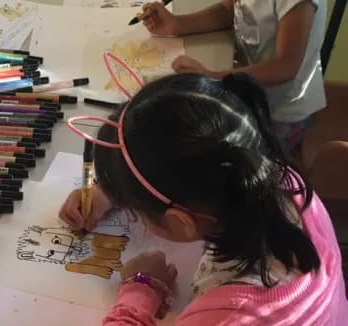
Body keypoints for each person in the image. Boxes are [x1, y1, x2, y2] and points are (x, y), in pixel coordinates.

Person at [59, 73, 347, 325]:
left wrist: (140, 290)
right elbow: (185, 160)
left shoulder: (230, 317)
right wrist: (114, 189)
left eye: (139, 211)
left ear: (182, 223)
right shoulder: (280, 182)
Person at [141, 0, 326, 149]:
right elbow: (227, 10)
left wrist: (212, 77)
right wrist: (177, 24)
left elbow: (286, 66)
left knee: (209, 156)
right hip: (247, 93)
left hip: (281, 112)